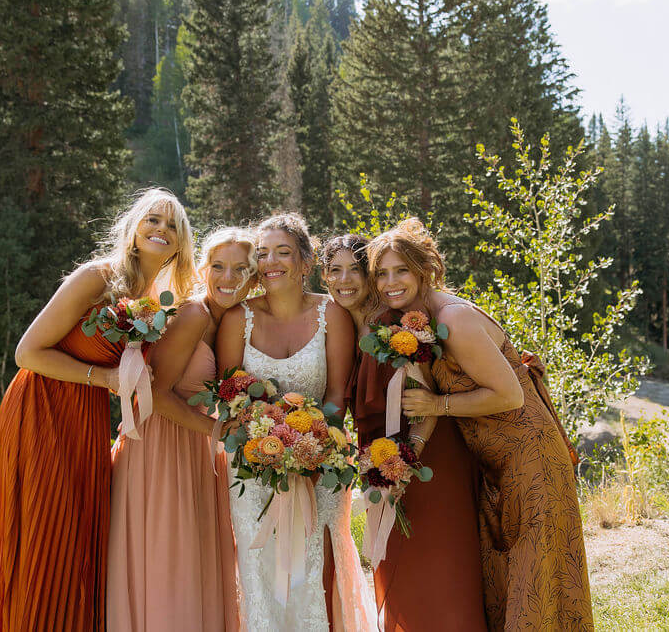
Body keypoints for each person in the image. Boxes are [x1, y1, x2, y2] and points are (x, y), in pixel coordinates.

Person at [0, 188, 195, 632]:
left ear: (182, 241)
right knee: (41, 526)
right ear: (132, 228)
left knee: (75, 532)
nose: (160, 230)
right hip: (41, 407)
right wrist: (104, 379)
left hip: (86, 419)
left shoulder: (156, 299)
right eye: (152, 220)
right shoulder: (96, 278)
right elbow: (27, 352)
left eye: (171, 225)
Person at [371, 218, 594, 631]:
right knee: (508, 583)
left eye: (400, 270)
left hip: (531, 460)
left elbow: (510, 395)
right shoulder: (419, 321)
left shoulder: (454, 319)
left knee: (537, 582)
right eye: (381, 274)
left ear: (424, 269)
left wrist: (439, 403)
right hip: (494, 464)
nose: (389, 283)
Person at [215, 214, 377, 632]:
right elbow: (230, 396)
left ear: (306, 262)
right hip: (251, 470)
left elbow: (337, 396)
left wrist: (308, 448)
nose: (271, 262)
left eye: (283, 252)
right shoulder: (238, 319)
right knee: (259, 571)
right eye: (263, 253)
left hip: (320, 465)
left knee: (318, 570)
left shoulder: (331, 315)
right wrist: (268, 446)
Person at [322, 233, 486, 632]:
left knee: (437, 573)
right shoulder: (340, 323)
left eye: (356, 270)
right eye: (334, 270)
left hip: (427, 458)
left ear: (371, 276)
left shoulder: (395, 324)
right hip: (382, 464)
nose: (345, 280)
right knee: (396, 570)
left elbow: (426, 398)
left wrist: (407, 459)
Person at [107, 227, 257, 631]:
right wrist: (220, 432)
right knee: (169, 560)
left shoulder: (238, 321)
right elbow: (155, 392)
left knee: (196, 560)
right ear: (204, 269)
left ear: (255, 275)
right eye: (219, 267)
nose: (229, 278)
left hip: (195, 449)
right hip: (159, 447)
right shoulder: (194, 314)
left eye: (241, 269)